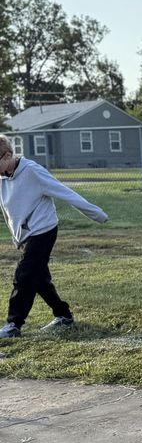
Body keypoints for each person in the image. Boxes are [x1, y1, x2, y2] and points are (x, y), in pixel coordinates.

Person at [0, 134, 108, 339]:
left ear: (6, 156)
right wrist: (17, 236)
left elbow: (65, 192)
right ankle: (63, 314)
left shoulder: (32, 171)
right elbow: (9, 211)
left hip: (43, 230)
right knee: (39, 279)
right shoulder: (3, 178)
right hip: (25, 235)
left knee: (24, 275)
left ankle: (14, 324)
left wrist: (97, 214)